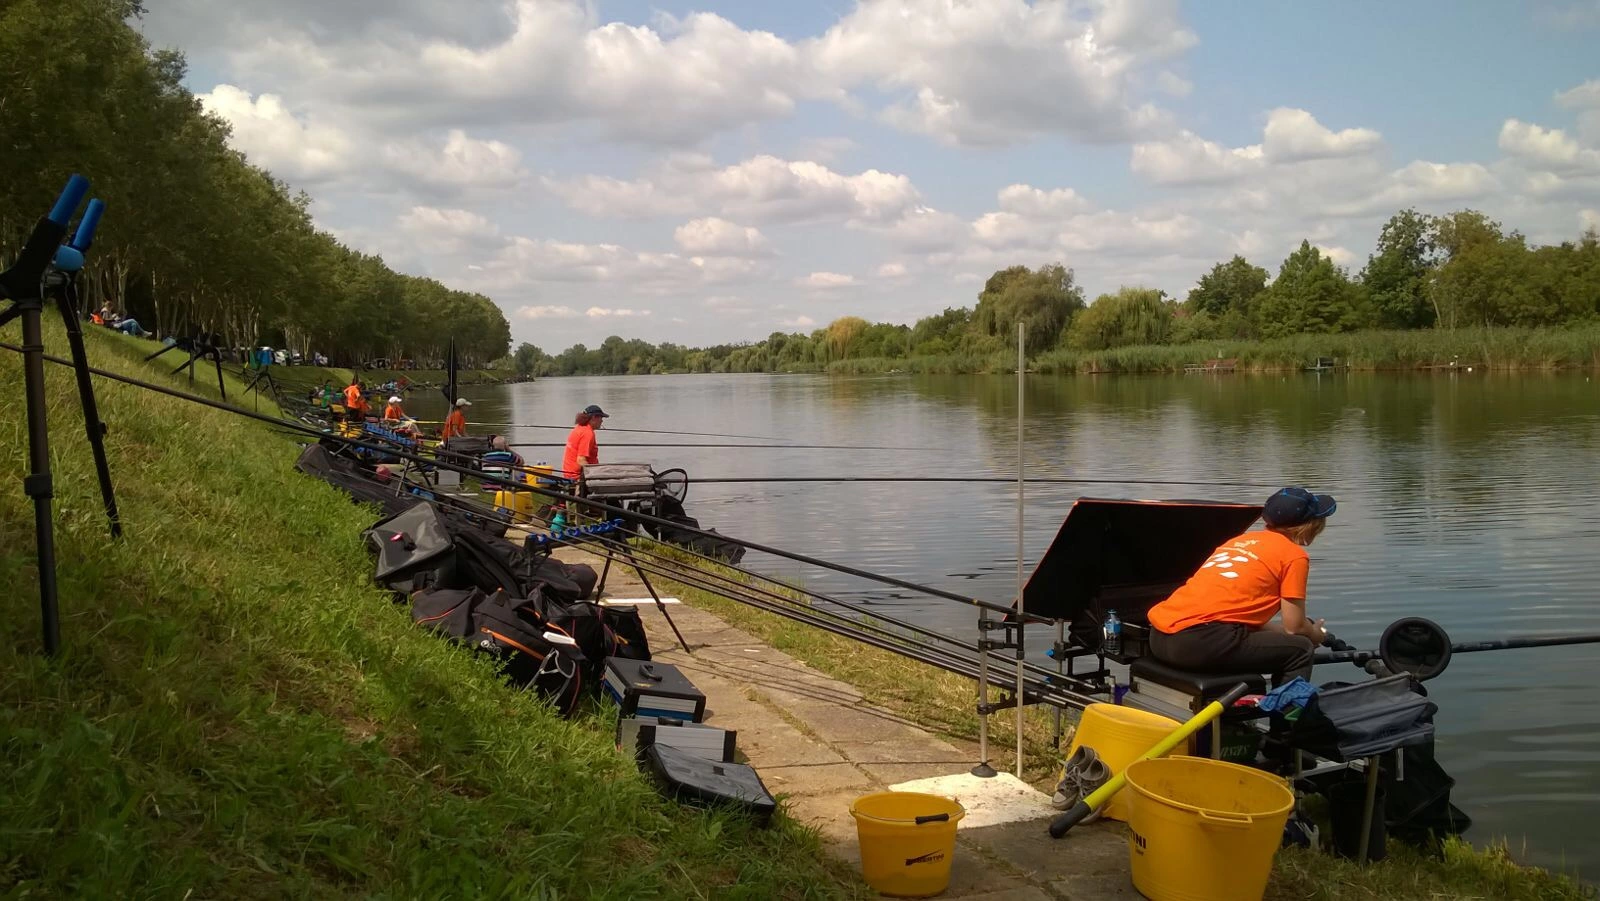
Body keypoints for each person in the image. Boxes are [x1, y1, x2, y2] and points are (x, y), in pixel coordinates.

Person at [1145, 487, 1336, 686]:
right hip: (1200, 643)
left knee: (1286, 644)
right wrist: (1314, 634)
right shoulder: (1293, 556)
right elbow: (1295, 626)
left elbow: (1247, 619)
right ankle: (1289, 716)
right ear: (1310, 525)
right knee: (1301, 650)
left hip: (1160, 638)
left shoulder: (1238, 542)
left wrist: (1289, 634)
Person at [561, 404, 607, 480]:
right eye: (601, 417)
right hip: (578, 477)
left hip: (569, 474)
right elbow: (581, 460)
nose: (602, 420)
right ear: (593, 417)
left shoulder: (579, 427)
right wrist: (594, 475)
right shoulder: (587, 433)